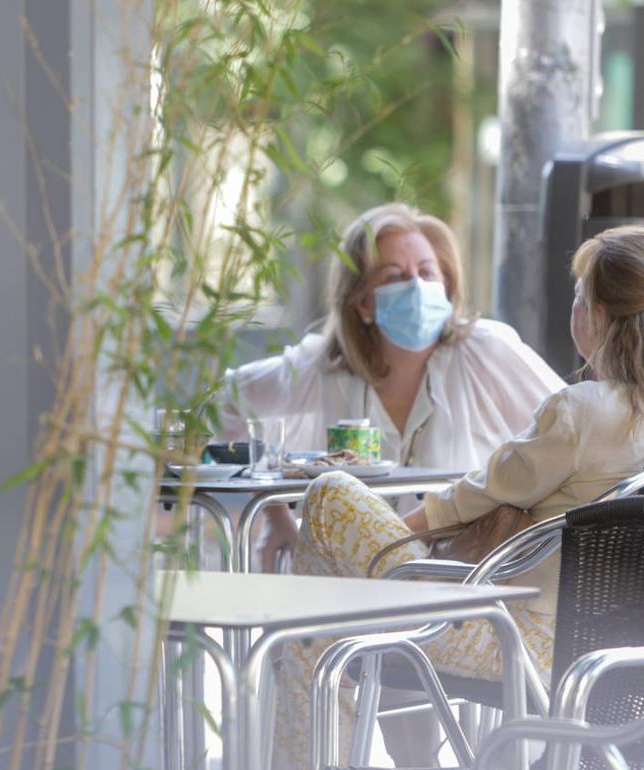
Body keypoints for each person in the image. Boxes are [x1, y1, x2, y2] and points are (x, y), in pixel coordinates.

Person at [270, 224, 644, 770]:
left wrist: (377, 554)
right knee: (321, 624)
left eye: (578, 296)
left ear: (597, 316)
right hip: (606, 647)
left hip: (509, 639)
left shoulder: (583, 410)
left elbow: (467, 499)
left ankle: (304, 743)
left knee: (330, 498)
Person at [220, 202, 565, 764]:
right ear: (362, 301)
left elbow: (570, 429)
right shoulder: (322, 367)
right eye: (395, 276)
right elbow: (227, 403)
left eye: (428, 274)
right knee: (323, 608)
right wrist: (277, 520)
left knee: (319, 571)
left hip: (462, 579)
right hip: (367, 589)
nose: (418, 287)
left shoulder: (485, 352)